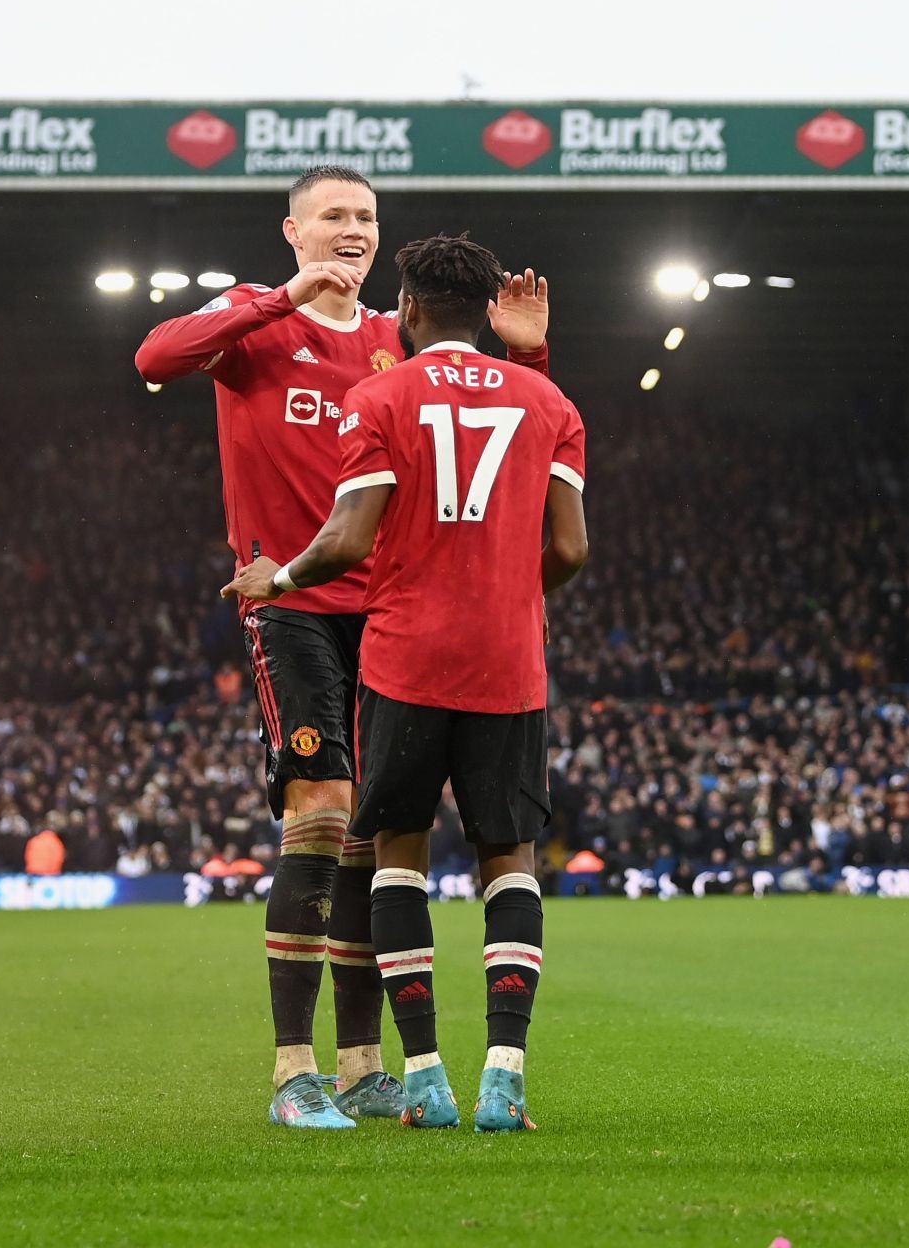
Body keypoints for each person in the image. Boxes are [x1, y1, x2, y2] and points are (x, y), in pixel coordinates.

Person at [136, 167, 553, 1129]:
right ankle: (293, 1072)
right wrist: (284, 296)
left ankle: (364, 1061)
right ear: (293, 230)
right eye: (334, 216)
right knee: (320, 813)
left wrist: (531, 354)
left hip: (393, 610)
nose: (353, 230)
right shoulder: (255, 322)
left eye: (366, 217)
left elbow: (498, 424)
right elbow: (155, 356)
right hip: (291, 601)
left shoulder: (393, 341)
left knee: (373, 827)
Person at [225, 232, 589, 1133]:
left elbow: (347, 540)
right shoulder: (549, 399)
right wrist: (510, 593)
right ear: (489, 310)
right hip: (510, 662)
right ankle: (504, 1081)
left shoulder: (379, 394)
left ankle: (422, 1075)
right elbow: (573, 550)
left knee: (396, 855)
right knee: (509, 861)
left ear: (411, 310)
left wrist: (282, 579)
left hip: (404, 656)